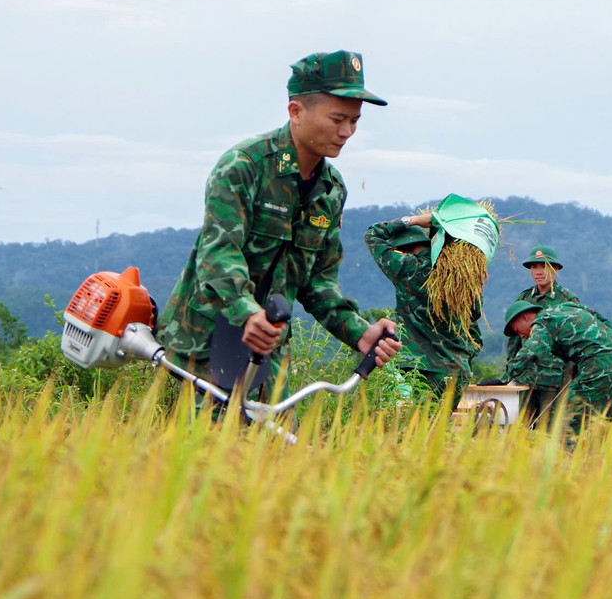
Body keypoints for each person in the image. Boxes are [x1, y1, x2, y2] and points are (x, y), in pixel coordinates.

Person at [156, 50, 401, 415]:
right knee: (196, 446)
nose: (347, 132)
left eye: (354, 121)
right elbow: (219, 253)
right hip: (204, 346)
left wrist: (359, 332)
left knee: (271, 447)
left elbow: (318, 283)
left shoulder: (331, 191)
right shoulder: (244, 166)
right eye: (337, 119)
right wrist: (248, 313)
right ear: (296, 111)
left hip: (269, 357)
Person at [365, 211, 482, 398]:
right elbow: (474, 315)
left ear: (404, 250)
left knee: (422, 417)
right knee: (441, 418)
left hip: (421, 368)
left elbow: (372, 235)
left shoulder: (407, 268)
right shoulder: (462, 276)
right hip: (457, 369)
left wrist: (413, 221)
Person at [503, 299, 612, 431]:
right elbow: (602, 320)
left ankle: (564, 444)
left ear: (524, 317)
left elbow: (529, 353)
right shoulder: (565, 308)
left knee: (564, 417)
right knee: (611, 420)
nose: (521, 336)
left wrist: (504, 379)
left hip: (595, 366)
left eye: (518, 330)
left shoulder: (543, 322)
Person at [504, 245, 580, 419]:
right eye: (534, 267)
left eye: (544, 266)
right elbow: (515, 338)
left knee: (548, 425)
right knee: (521, 423)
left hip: (554, 377)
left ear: (556, 269)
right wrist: (511, 369)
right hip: (525, 377)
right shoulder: (524, 298)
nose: (539, 272)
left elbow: (574, 340)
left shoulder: (567, 300)